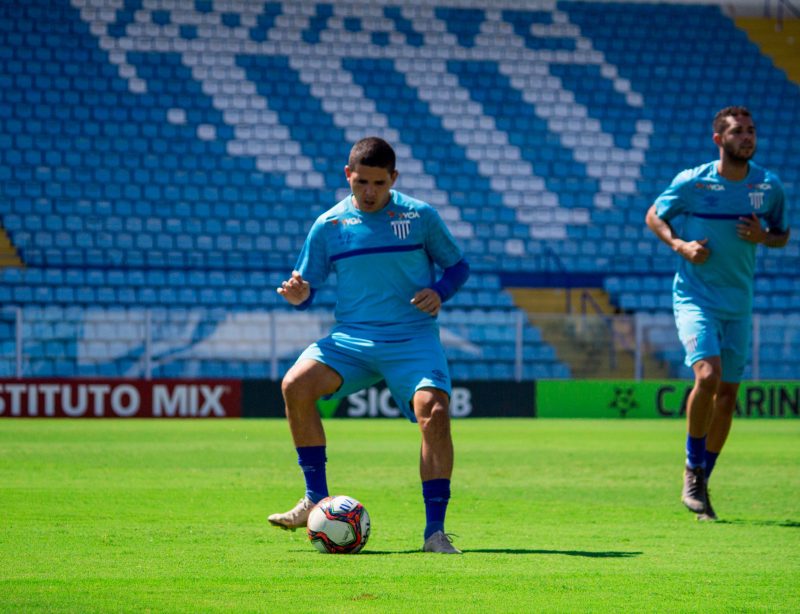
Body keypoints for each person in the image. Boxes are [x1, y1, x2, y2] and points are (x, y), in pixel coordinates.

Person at [268, 137, 470, 553]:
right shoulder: (329, 225)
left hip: (412, 337)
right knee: (295, 385)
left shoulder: (420, 216)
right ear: (348, 176)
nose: (370, 192)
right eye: (362, 182)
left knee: (435, 411)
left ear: (394, 178)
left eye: (379, 182)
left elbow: (458, 266)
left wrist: (440, 291)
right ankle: (314, 499)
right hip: (351, 340)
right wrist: (297, 295)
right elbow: (307, 289)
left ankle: (435, 531)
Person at [645, 106, 790, 521]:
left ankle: (703, 478)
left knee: (728, 396)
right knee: (707, 376)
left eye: (751, 131)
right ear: (718, 139)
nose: (748, 137)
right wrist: (681, 246)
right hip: (696, 298)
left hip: (738, 303)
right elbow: (654, 215)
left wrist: (765, 237)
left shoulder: (768, 185)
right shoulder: (693, 182)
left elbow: (781, 234)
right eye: (738, 132)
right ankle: (692, 468)